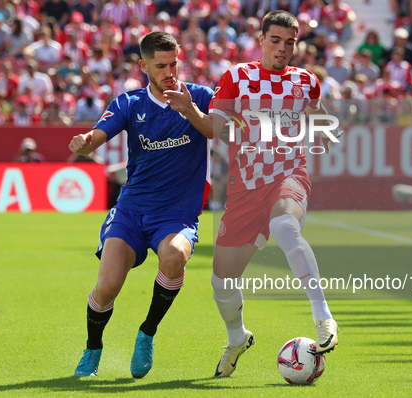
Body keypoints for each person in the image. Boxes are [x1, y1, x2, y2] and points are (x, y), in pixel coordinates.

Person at [163, 10, 340, 378]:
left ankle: (323, 316)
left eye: (290, 42)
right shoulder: (236, 78)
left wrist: (324, 130)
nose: (283, 48)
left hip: (289, 175)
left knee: (285, 226)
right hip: (245, 189)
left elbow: (318, 112)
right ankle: (236, 338)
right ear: (261, 40)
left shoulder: (306, 81)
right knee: (221, 281)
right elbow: (216, 129)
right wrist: (190, 110)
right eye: (275, 40)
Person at [68, 31, 214, 379]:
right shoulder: (129, 103)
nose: (169, 72)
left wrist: (189, 110)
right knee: (107, 288)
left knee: (175, 256)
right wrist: (86, 143)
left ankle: (147, 332)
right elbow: (98, 136)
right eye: (160, 65)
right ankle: (93, 348)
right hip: (132, 210)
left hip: (176, 213)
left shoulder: (201, 97)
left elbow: (216, 130)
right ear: (143, 65)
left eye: (174, 64)